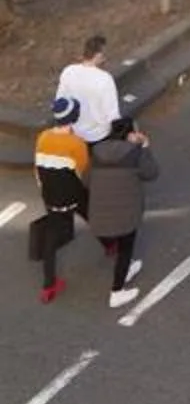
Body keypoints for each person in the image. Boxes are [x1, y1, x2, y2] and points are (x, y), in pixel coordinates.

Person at [87, 117, 157, 303]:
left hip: (99, 214)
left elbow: (87, 179)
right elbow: (151, 173)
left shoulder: (97, 152)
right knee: (126, 249)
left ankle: (126, 270)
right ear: (131, 134)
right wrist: (145, 147)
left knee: (120, 247)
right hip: (126, 215)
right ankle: (117, 291)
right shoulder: (134, 153)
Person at [31, 102, 90, 303]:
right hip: (71, 194)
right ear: (74, 117)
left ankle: (49, 285)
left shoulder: (43, 137)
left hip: (50, 195)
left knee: (51, 237)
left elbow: (37, 167)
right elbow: (80, 169)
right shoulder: (76, 143)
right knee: (91, 214)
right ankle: (110, 244)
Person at [52, 34, 119, 145]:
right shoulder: (105, 79)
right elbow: (112, 114)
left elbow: (60, 100)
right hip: (98, 134)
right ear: (98, 55)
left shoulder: (68, 71)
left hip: (75, 131)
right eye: (104, 54)